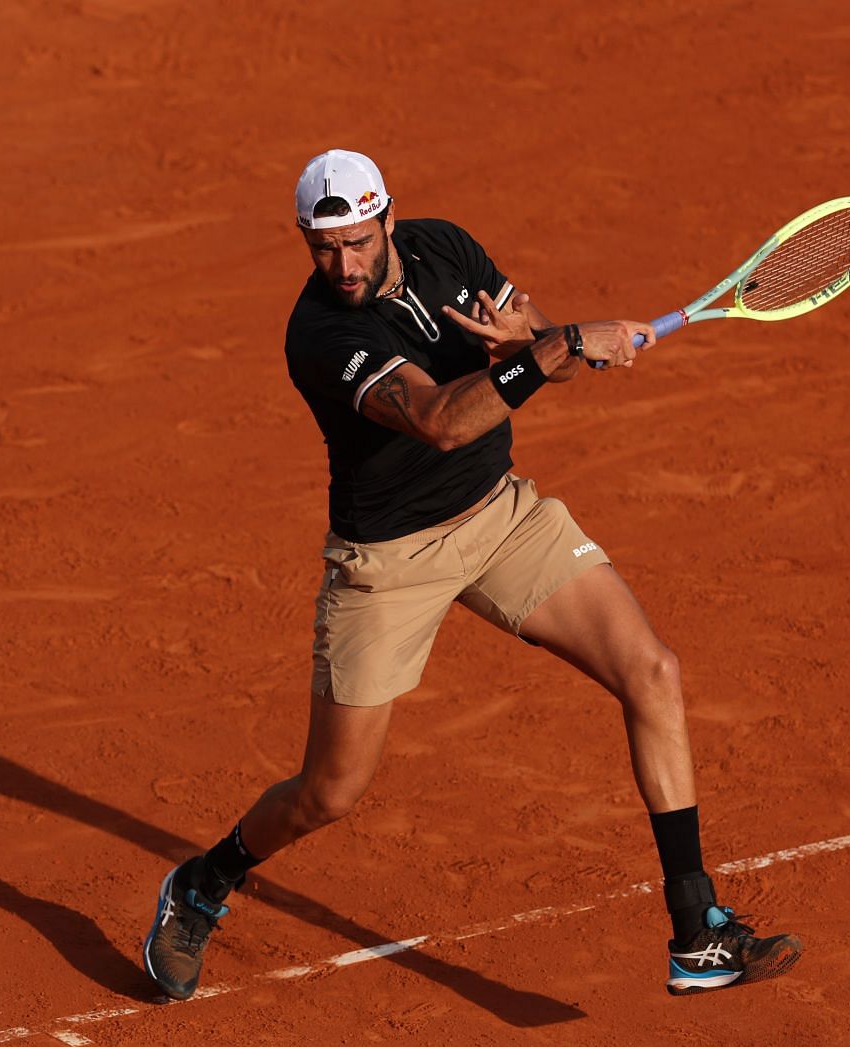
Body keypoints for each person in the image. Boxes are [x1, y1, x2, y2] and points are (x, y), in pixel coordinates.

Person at [143, 150, 801, 1002]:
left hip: (501, 517)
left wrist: (552, 341)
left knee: (653, 672)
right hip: (389, 563)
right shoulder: (321, 335)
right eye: (321, 247)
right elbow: (439, 420)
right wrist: (559, 347)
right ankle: (205, 880)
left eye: (354, 241)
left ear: (387, 220)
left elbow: (526, 340)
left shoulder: (445, 248)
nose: (341, 264)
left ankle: (696, 929)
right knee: (330, 792)